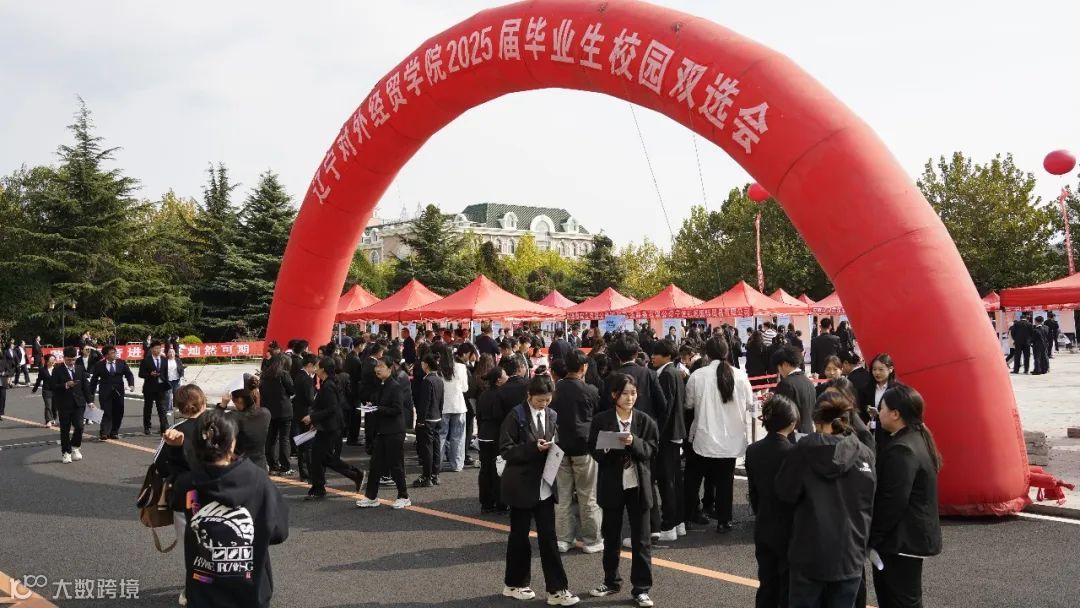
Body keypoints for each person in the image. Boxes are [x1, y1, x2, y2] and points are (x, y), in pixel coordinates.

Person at [171, 409, 289, 608]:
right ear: (232, 442)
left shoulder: (188, 483)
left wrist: (176, 452)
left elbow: (175, 500)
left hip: (203, 591)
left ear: (198, 443)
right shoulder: (258, 480)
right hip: (250, 590)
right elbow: (279, 532)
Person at [775, 392, 877, 608]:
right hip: (850, 552)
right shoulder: (864, 453)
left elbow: (785, 492)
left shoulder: (803, 450)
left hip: (809, 552)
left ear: (817, 420)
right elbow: (869, 499)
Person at [499, 375, 580, 606]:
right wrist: (532, 448)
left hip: (544, 484)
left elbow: (557, 439)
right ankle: (514, 584)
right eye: (539, 400)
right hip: (521, 485)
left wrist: (555, 447)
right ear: (529, 396)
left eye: (547, 400)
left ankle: (557, 589)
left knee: (549, 538)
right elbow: (506, 449)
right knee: (519, 537)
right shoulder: (516, 415)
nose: (544, 404)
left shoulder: (552, 415)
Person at [587, 373, 658, 608]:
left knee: (642, 539)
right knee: (611, 536)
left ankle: (642, 588)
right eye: (625, 393)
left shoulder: (645, 421)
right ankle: (611, 581)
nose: (630, 398)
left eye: (633, 393)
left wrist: (634, 442)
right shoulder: (601, 420)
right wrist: (609, 447)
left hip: (638, 485)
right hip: (612, 483)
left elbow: (651, 450)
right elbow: (593, 449)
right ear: (614, 395)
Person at [870, 385, 943, 608]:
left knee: (898, 601)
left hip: (901, 541)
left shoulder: (902, 449)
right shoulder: (916, 438)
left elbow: (892, 501)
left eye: (882, 408)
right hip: (908, 539)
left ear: (895, 414)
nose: (879, 413)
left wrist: (873, 537)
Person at [684, 336, 753, 532]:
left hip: (703, 436)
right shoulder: (740, 376)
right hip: (731, 438)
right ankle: (724, 520)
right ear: (727, 352)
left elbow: (688, 404)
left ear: (707, 354)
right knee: (725, 481)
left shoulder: (698, 376)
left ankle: (687, 516)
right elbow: (750, 404)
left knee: (694, 477)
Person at [158, 384, 210, 608]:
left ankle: (192, 588)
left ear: (179, 407)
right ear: (203, 401)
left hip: (185, 496)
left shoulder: (175, 431)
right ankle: (215, 584)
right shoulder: (218, 425)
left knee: (190, 546)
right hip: (217, 494)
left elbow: (159, 465)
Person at [745, 395, 799, 608]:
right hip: (789, 529)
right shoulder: (794, 453)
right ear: (792, 422)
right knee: (787, 586)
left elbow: (754, 492)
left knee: (766, 583)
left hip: (764, 523)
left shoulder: (753, 450)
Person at [551, 349, 603, 553]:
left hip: (560, 447)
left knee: (563, 496)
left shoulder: (555, 389)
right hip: (584, 447)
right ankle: (592, 540)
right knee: (588, 496)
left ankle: (564, 539)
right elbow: (598, 416)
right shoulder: (590, 390)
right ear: (584, 367)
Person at [301, 357, 365, 500]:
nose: (315, 369)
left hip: (330, 427)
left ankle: (319, 489)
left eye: (317, 366)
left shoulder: (328, 385)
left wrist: (312, 417)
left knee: (318, 457)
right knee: (325, 458)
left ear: (323, 369)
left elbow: (332, 408)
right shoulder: (328, 382)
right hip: (328, 426)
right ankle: (355, 474)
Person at [356, 355, 412, 509]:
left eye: (381, 366)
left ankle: (404, 496)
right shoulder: (381, 385)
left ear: (389, 368)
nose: (377, 369)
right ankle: (371, 497)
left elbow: (397, 409)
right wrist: (371, 405)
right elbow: (378, 403)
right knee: (375, 465)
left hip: (394, 431)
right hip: (382, 430)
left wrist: (377, 408)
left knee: (395, 464)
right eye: (376, 366)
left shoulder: (395, 386)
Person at [651, 339, 688, 542]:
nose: (652, 357)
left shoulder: (666, 374)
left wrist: (657, 434)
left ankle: (669, 525)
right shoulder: (675, 372)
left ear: (667, 356)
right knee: (674, 480)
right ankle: (678, 522)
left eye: (656, 354)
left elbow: (665, 408)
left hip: (667, 434)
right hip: (676, 432)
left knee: (667, 482)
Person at [51, 346, 93, 463]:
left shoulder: (79, 368)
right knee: (65, 429)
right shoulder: (57, 370)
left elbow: (85, 387)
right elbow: (52, 386)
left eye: (73, 359)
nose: (71, 362)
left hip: (79, 403)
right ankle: (66, 452)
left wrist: (90, 401)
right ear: (64, 358)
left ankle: (75, 447)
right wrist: (65, 385)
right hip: (64, 404)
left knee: (79, 426)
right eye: (69, 359)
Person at [477, 365, 509, 512]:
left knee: (485, 470)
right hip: (496, 435)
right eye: (505, 375)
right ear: (498, 380)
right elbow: (498, 415)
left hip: (483, 435)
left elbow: (478, 415)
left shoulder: (484, 394)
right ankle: (500, 503)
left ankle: (486, 503)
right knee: (498, 469)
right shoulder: (500, 394)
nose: (507, 377)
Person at [223, 374, 271, 471]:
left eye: (233, 399)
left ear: (240, 400)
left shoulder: (233, 417)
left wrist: (222, 405)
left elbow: (214, 423)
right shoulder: (266, 413)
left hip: (240, 469)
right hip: (260, 468)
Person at [412, 352, 445, 488]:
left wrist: (420, 420)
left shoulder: (427, 381)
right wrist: (440, 414)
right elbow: (441, 401)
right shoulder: (439, 380)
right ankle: (435, 474)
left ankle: (426, 475)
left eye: (423, 362)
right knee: (436, 446)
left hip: (427, 418)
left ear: (426, 365)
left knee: (427, 448)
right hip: (437, 416)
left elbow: (424, 402)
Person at [89, 346, 135, 440]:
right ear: (106, 355)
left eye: (115, 352)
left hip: (119, 391)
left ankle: (114, 432)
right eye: (112, 353)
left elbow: (129, 374)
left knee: (119, 412)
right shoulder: (99, 365)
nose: (115, 354)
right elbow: (94, 380)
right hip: (105, 392)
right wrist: (90, 394)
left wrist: (131, 384)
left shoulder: (121, 363)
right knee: (106, 412)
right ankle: (104, 433)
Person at [261, 354, 295, 475]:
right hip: (284, 410)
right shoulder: (284, 374)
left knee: (271, 439)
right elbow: (292, 390)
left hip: (269, 411)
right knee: (284, 439)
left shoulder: (264, 375)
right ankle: (285, 467)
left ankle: (273, 466)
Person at [772, 346, 816, 435]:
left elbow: (781, 413)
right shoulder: (808, 382)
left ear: (785, 364)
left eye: (778, 367)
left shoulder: (785, 384)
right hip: (809, 431)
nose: (779, 371)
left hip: (792, 435)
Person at [291, 353, 318, 481]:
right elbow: (310, 399)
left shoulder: (298, 376)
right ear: (310, 365)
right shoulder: (307, 379)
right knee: (308, 445)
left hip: (298, 413)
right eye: (315, 366)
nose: (316, 369)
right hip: (306, 414)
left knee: (302, 444)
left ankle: (303, 472)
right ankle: (309, 473)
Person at [139, 341, 170, 435]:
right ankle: (147, 427)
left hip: (161, 387)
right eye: (156, 348)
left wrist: (166, 383)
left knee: (162, 408)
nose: (158, 350)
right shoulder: (146, 360)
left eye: (159, 348)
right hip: (149, 388)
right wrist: (150, 374)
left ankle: (164, 427)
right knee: (148, 408)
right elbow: (141, 374)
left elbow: (166, 373)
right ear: (151, 349)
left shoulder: (164, 360)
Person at [840, 352, 873, 421]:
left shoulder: (850, 380)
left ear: (845, 363)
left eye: (839, 365)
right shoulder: (867, 374)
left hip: (857, 419)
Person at [32, 354, 58, 427]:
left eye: (54, 360)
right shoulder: (43, 370)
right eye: (51, 360)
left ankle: (53, 419)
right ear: (47, 361)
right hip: (46, 390)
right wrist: (34, 389)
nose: (53, 361)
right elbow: (38, 380)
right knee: (48, 406)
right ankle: (48, 420)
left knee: (55, 407)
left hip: (56, 390)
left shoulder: (57, 369)